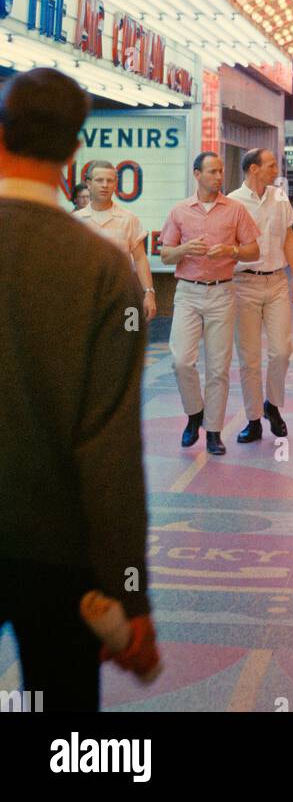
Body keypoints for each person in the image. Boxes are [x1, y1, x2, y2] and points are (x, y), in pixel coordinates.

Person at [0, 68, 158, 709]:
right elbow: (109, 448)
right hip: (58, 554)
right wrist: (129, 592)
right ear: (73, 155)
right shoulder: (103, 269)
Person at [160, 152, 260, 456]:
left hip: (221, 292)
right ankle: (194, 414)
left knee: (218, 366)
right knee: (181, 359)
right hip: (188, 292)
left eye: (220, 171)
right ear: (197, 174)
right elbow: (165, 254)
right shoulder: (179, 211)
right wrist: (184, 249)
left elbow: (253, 250)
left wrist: (231, 250)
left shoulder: (236, 210)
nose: (218, 177)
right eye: (212, 172)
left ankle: (214, 431)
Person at [228, 148, 293, 444]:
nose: (276, 169)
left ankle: (272, 405)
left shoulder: (279, 196)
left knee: (281, 350)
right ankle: (252, 420)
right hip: (242, 284)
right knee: (248, 358)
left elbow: (288, 237)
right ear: (253, 169)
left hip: (275, 283)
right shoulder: (232, 202)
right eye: (271, 165)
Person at [75, 161, 157, 322]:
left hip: (125, 298)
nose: (105, 185)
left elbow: (140, 259)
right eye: (99, 180)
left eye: (110, 180)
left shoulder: (128, 219)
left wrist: (149, 293)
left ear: (115, 185)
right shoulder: (75, 221)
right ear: (89, 184)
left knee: (128, 342)